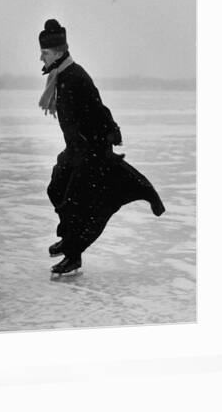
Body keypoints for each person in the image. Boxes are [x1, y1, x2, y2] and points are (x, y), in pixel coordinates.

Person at [38, 19, 165, 275]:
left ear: (58, 53)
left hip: (89, 151)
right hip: (75, 149)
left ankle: (73, 256)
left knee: (76, 204)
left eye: (45, 52)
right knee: (56, 189)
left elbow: (96, 106)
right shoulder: (61, 76)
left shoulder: (75, 77)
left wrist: (110, 131)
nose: (40, 57)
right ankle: (68, 238)